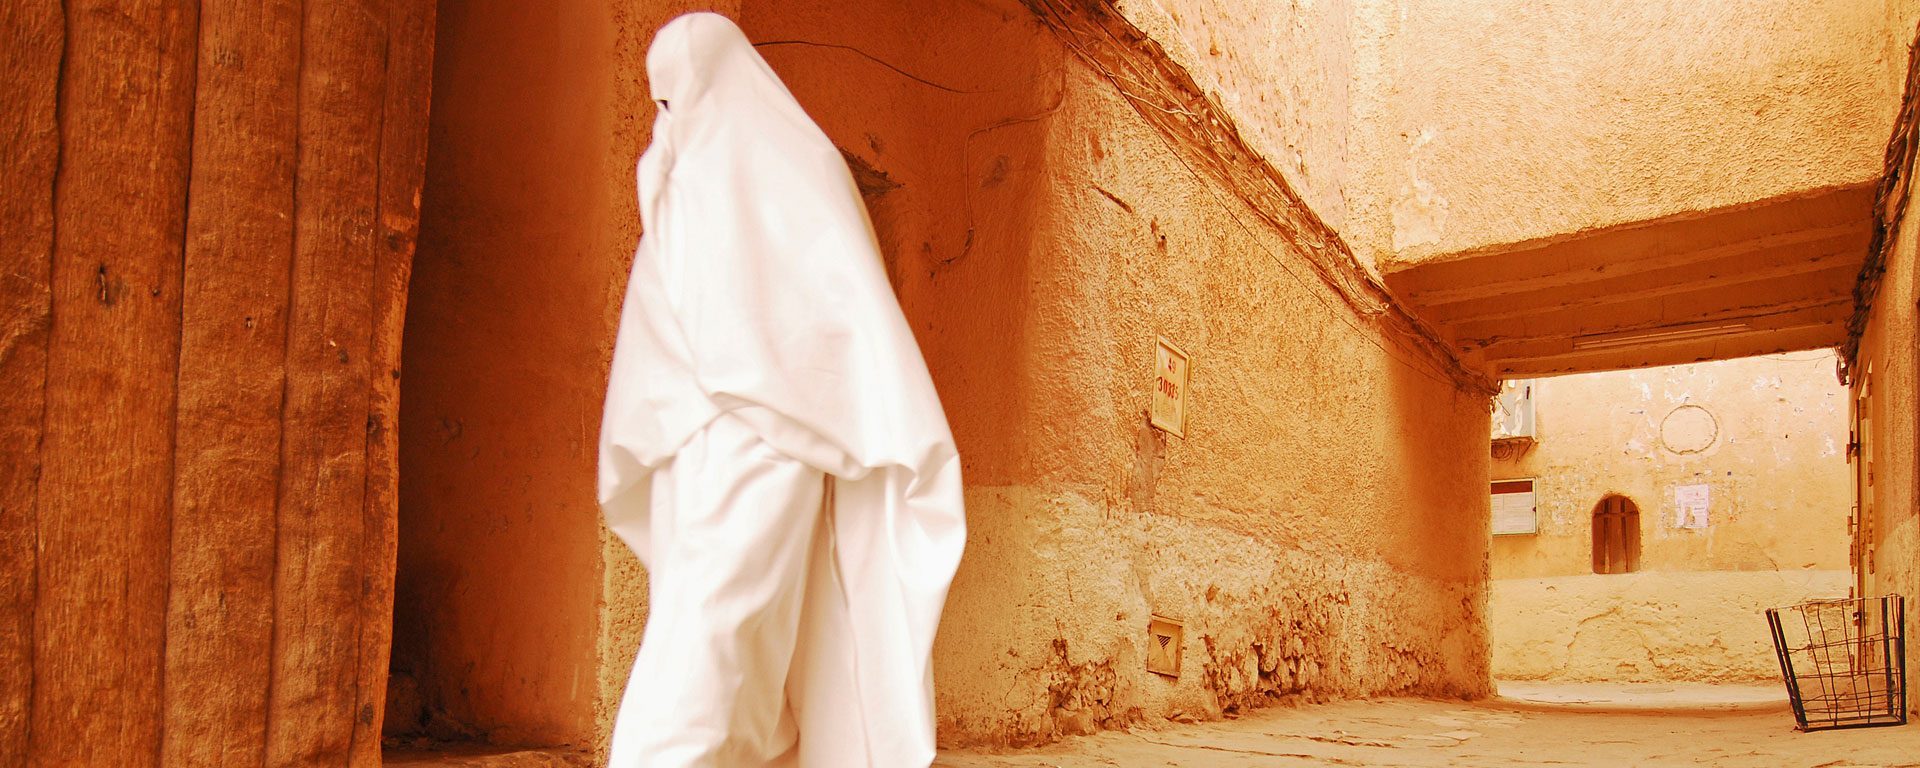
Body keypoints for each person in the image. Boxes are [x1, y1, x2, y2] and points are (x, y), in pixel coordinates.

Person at [596, 12, 967, 767]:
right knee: (716, 644)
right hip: (694, 449)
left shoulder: (790, 171)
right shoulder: (685, 176)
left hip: (770, 451)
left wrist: (800, 405)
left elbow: (841, 322)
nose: (666, 118)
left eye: (673, 96)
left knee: (717, 648)